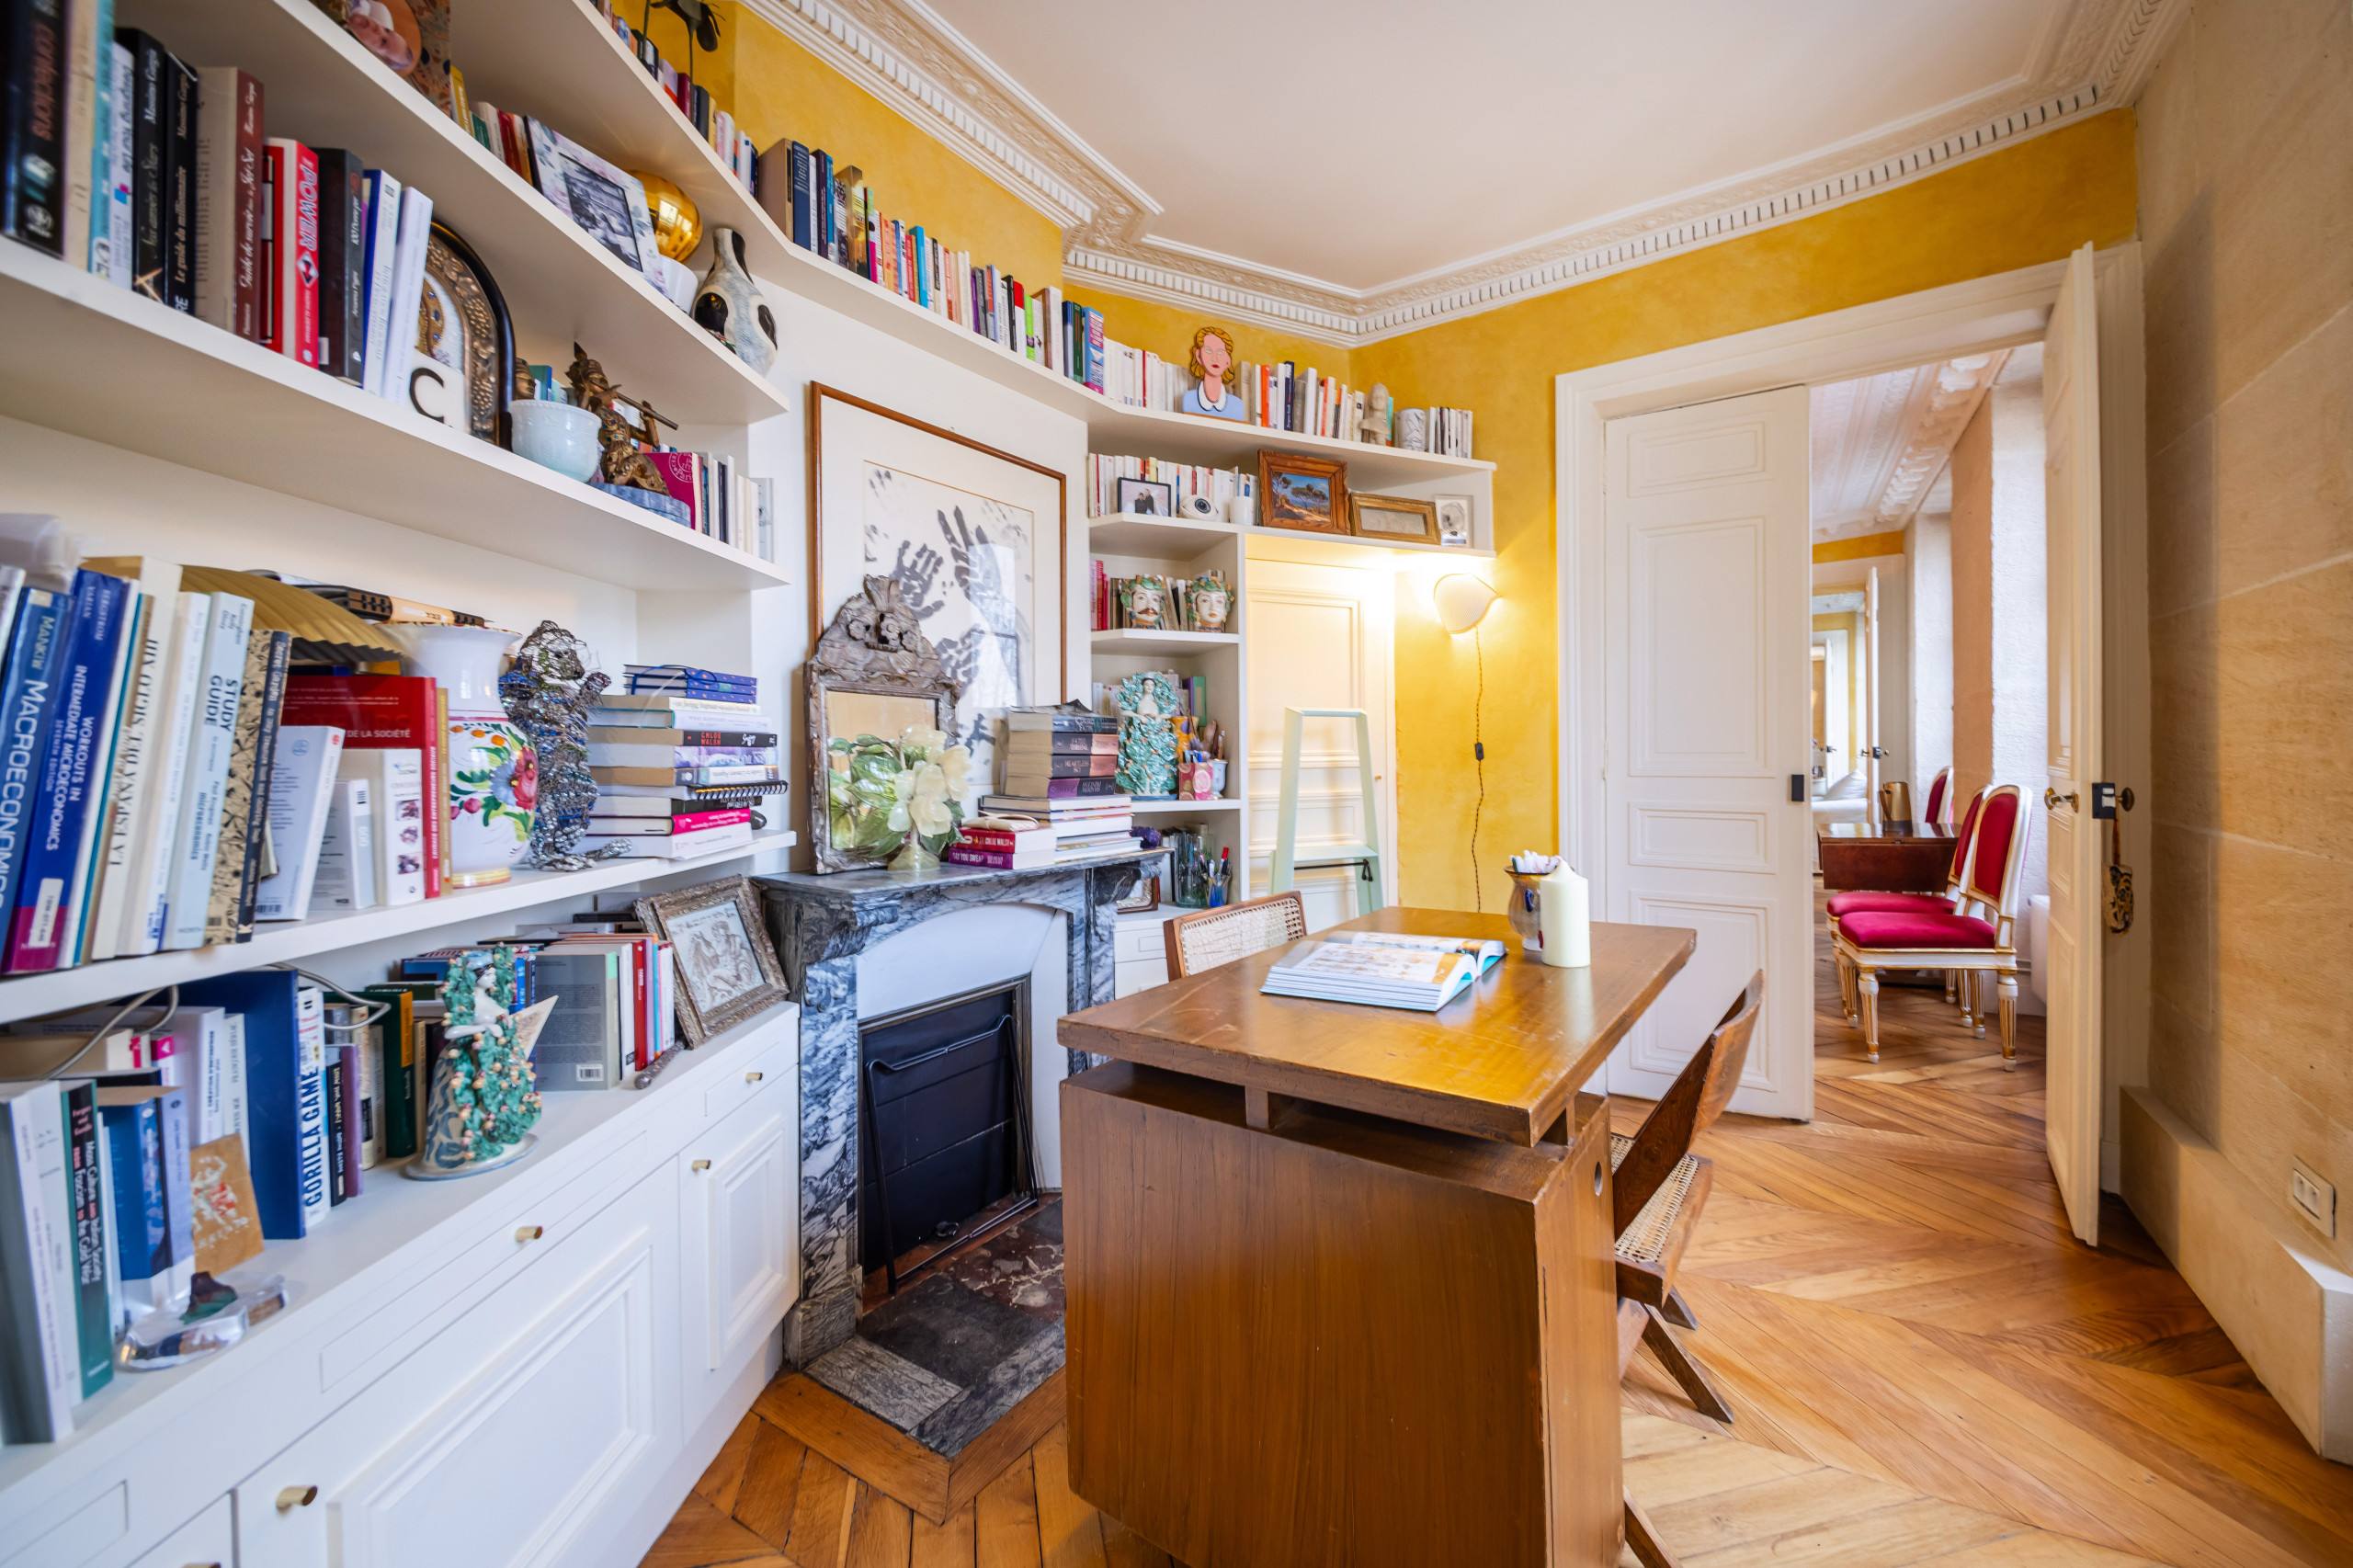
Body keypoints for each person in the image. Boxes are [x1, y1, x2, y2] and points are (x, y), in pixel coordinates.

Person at [1181, 325, 1247, 421]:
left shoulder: (1237, 405)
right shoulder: (1189, 398)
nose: (1214, 358)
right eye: (1208, 351)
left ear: (1228, 360)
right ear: (1198, 356)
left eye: (1220, 352)